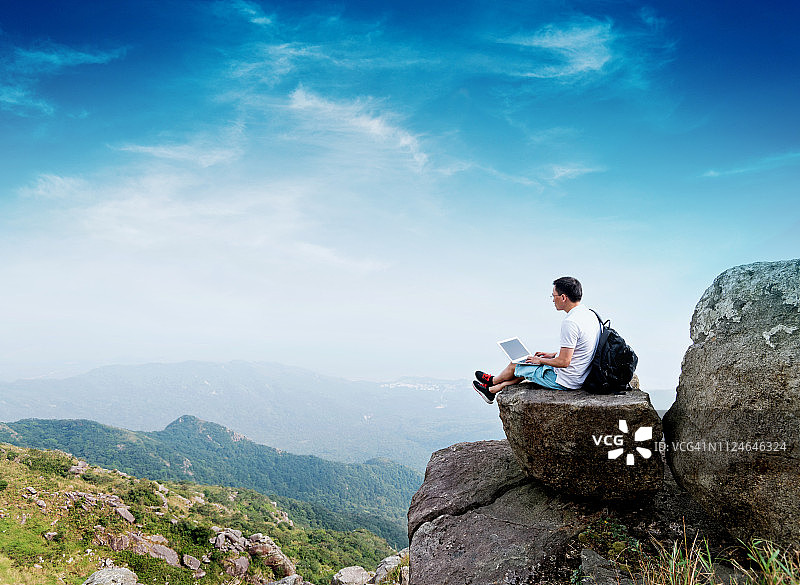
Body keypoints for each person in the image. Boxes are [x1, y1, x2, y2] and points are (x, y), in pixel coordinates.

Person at [473, 276, 601, 404]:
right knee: (528, 365)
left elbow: (564, 362)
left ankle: (492, 383)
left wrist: (540, 360)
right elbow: (580, 349)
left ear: (563, 297)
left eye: (553, 296)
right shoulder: (589, 315)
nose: (552, 300)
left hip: (566, 380)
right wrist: (552, 355)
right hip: (580, 374)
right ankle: (493, 388)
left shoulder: (570, 322)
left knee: (516, 365)